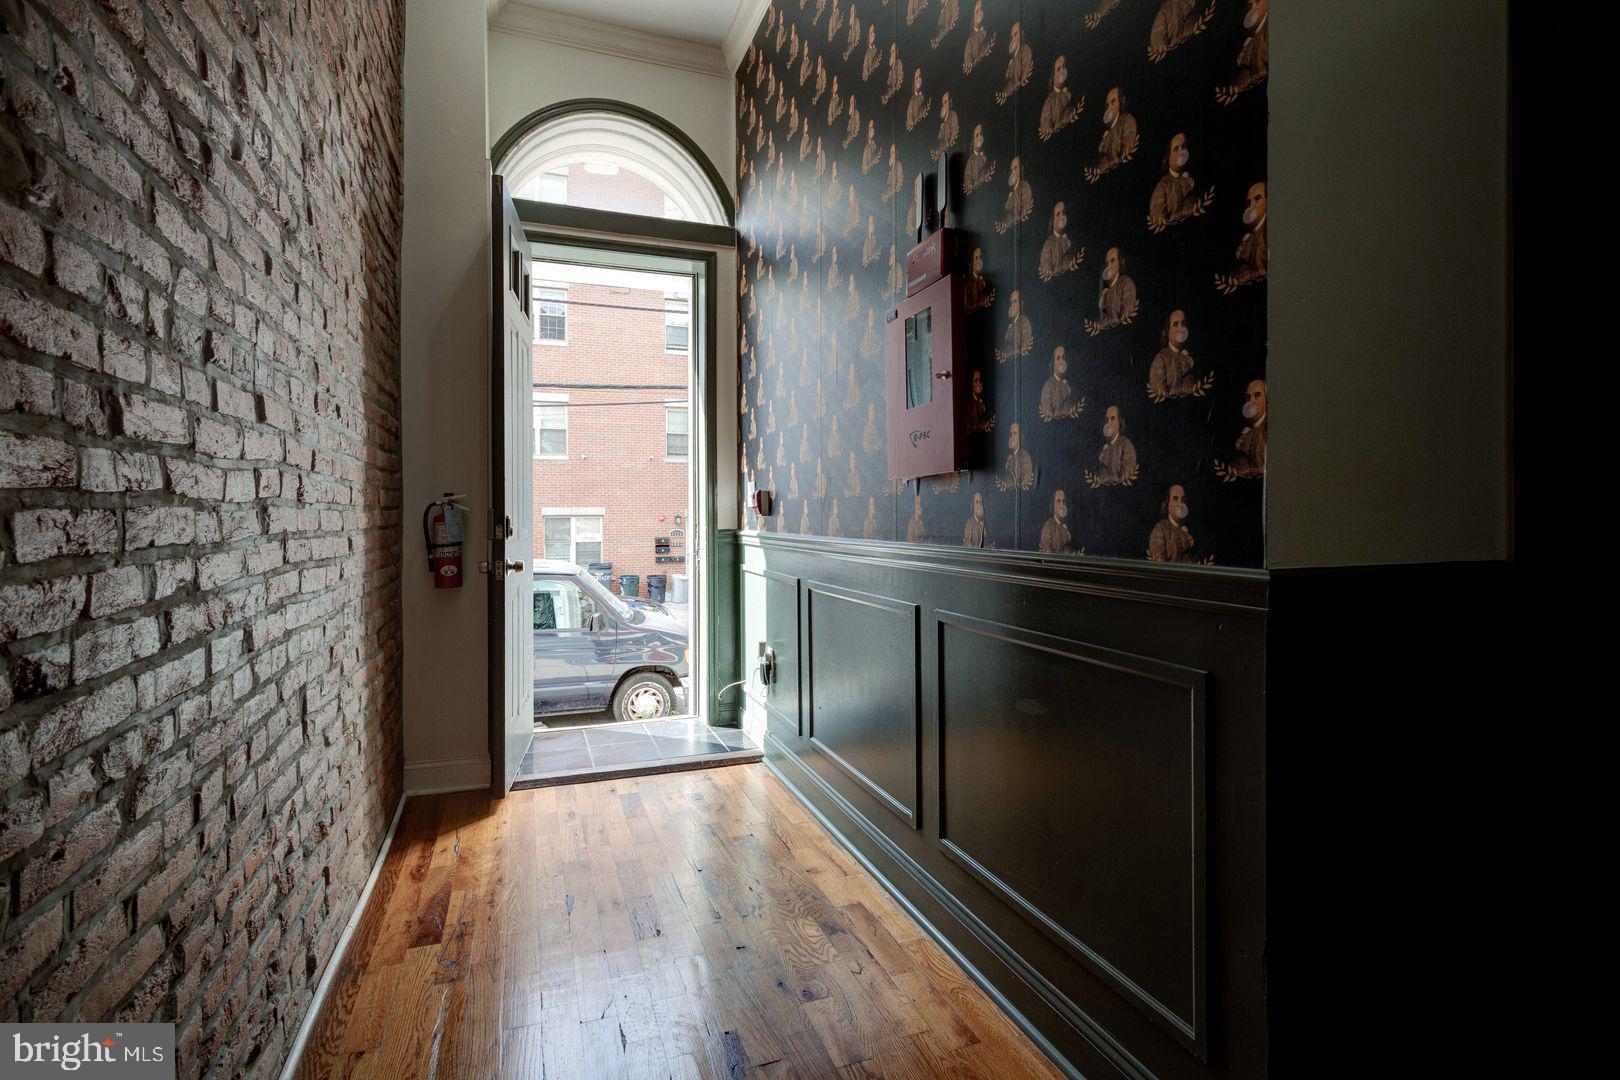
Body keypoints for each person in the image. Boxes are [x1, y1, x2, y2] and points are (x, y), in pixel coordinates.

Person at [1147, 133, 1213, 231]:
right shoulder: (1163, 186)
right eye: (1176, 149)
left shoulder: (1196, 179)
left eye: (1184, 146)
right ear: (1168, 158)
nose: (1181, 151)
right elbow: (1158, 216)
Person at [1216, 181, 1268, 292]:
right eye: (1248, 203)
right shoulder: (1250, 234)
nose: (1251, 206)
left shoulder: (1267, 231)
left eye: (1257, 199)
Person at [1087, 86, 1139, 181]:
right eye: (1107, 105)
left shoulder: (1127, 121)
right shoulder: (1103, 131)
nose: (1109, 107)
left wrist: (1102, 170)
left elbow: (1125, 156)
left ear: (1120, 103)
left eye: (1113, 102)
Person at [1087, 247, 1139, 333]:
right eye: (1107, 263)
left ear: (1120, 264)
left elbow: (1125, 315)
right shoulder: (1105, 290)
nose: (1109, 265)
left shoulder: (1126, 283)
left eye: (1112, 261)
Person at [1147, 485, 1204, 562]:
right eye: (1175, 499)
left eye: (1183, 500)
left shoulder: (1191, 529)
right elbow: (1160, 566)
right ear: (1167, 505)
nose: (1180, 504)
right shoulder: (1160, 529)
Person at [1089, 406, 1140, 486]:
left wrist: (1104, 460)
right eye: (1107, 419)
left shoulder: (1126, 444)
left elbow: (1122, 476)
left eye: (1112, 418)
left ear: (1119, 423)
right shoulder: (1103, 447)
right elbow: (1097, 476)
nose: (1108, 423)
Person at [1038, 56, 1083, 140]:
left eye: (1064, 67)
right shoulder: (1050, 100)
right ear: (1053, 76)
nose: (1062, 71)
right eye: (1058, 69)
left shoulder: (1074, 93)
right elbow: (1046, 123)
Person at [1038, 201, 1083, 281]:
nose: (1062, 217)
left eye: (1064, 213)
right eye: (1058, 214)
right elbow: (1045, 262)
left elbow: (1071, 260)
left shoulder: (1071, 239)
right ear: (1052, 220)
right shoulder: (1049, 243)